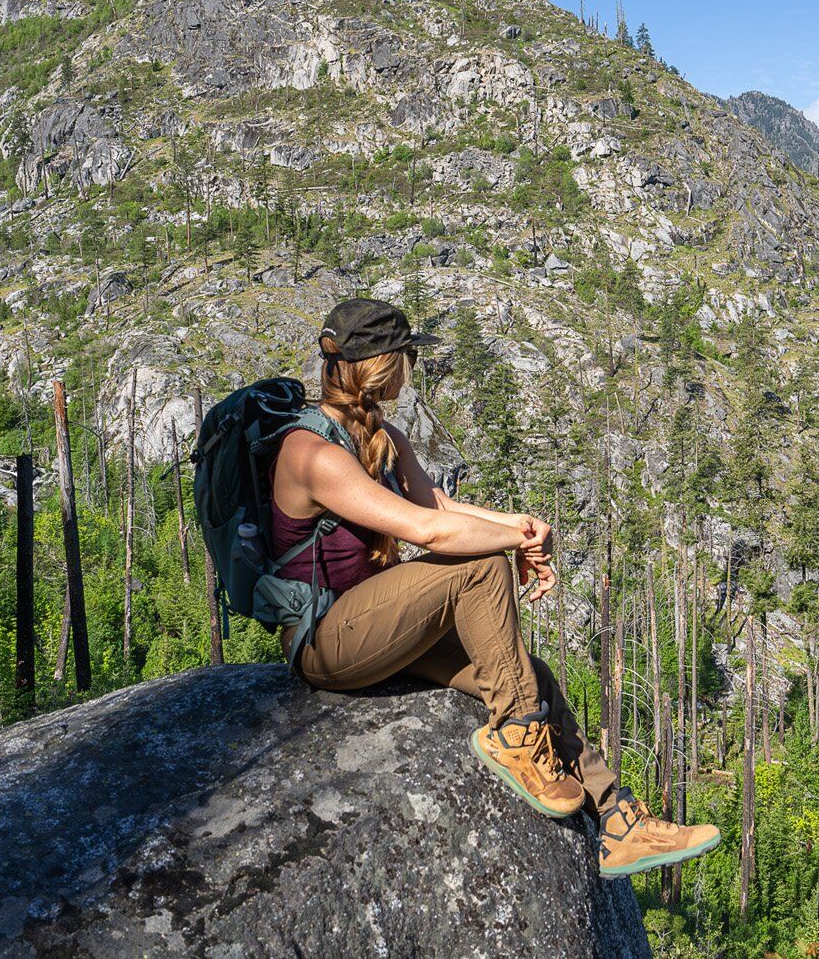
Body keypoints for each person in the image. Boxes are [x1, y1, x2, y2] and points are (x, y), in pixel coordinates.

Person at [268, 297, 719, 878]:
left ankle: (617, 821)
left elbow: (439, 504)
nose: (409, 370)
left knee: (532, 676)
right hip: (325, 643)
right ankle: (516, 736)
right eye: (405, 358)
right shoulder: (312, 454)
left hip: (376, 628)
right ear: (382, 365)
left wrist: (524, 527)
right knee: (477, 567)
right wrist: (505, 546)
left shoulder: (380, 435)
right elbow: (427, 529)